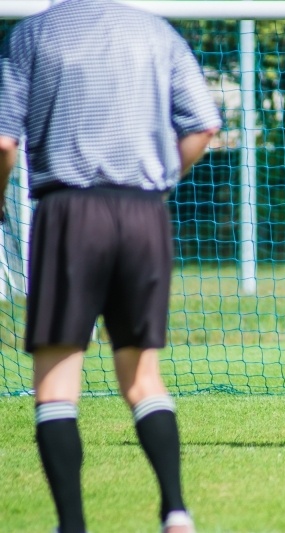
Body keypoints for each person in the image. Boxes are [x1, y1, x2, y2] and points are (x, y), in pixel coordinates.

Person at [0, 1, 221, 531]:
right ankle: (175, 512)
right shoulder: (157, 31)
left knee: (55, 383)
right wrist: (157, 183)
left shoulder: (33, 33)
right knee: (143, 378)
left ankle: (72, 525)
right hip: (143, 214)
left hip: (69, 210)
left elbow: (5, 141)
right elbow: (204, 127)